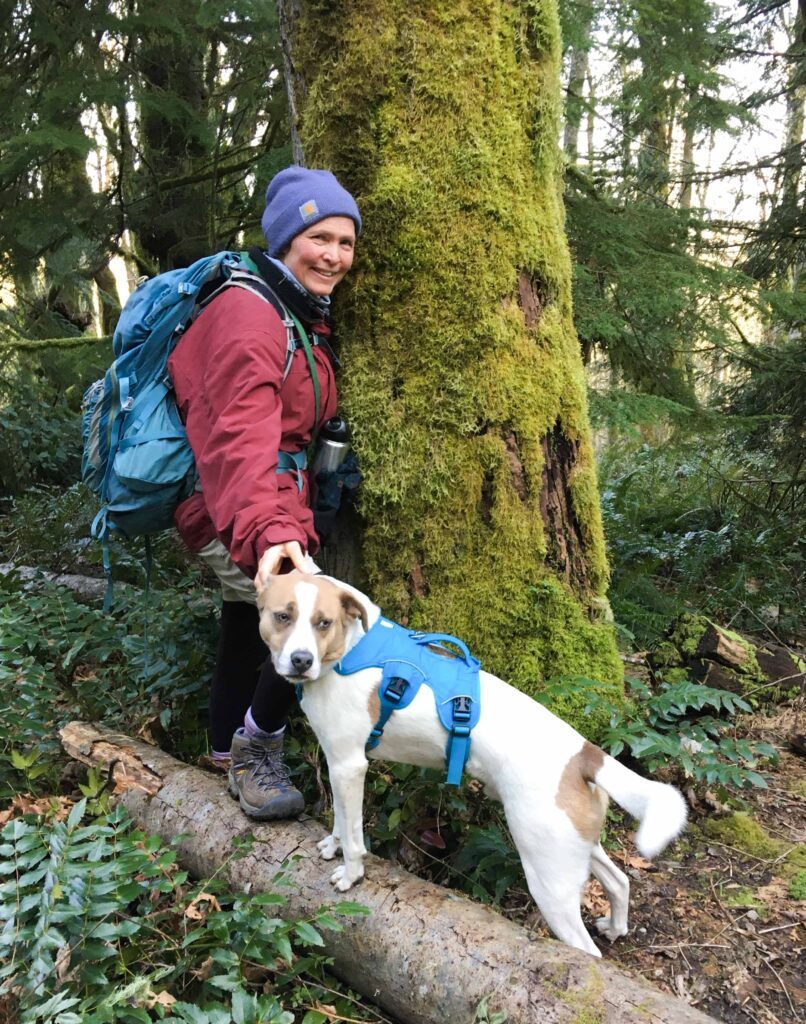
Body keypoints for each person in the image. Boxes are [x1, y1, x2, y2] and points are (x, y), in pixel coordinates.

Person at [167, 166, 361, 820]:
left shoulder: (291, 309)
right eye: (319, 238)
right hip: (235, 505)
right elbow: (239, 440)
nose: (334, 255)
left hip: (260, 501)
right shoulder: (249, 316)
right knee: (306, 612)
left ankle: (223, 749)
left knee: (241, 622)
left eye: (346, 241)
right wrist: (271, 537)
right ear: (283, 239)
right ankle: (258, 749)